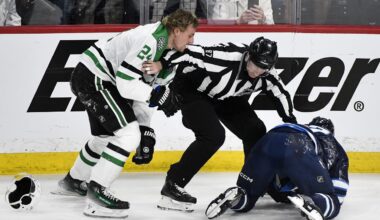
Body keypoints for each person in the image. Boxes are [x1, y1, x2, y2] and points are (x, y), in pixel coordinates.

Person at [53, 9, 198, 218]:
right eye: (190, 35)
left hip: (95, 77)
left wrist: (147, 128)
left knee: (106, 137)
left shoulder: (168, 51)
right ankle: (97, 194)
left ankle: (73, 181)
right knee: (129, 135)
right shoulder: (151, 41)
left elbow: (144, 92)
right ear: (176, 30)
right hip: (94, 78)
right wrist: (156, 97)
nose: (192, 41)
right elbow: (126, 84)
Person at [145, 36, 296, 212]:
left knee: (255, 130)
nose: (257, 71)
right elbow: (188, 52)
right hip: (193, 90)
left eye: (264, 67)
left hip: (225, 96)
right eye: (255, 63)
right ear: (248, 56)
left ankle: (255, 179)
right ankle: (173, 185)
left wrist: (291, 120)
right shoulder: (226, 56)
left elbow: (280, 94)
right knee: (213, 136)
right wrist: (161, 64)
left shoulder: (267, 73)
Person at [205, 117, 349, 220]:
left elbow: (277, 175)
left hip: (268, 139)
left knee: (248, 195)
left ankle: (239, 198)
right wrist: (321, 194)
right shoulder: (329, 138)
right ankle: (315, 202)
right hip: (298, 144)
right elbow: (339, 187)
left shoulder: (303, 127)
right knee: (332, 202)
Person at [208, 0, 274, 25]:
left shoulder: (264, 1)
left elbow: (272, 24)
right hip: (230, 40)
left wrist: (263, 20)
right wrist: (237, 21)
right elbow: (216, 22)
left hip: (257, 40)